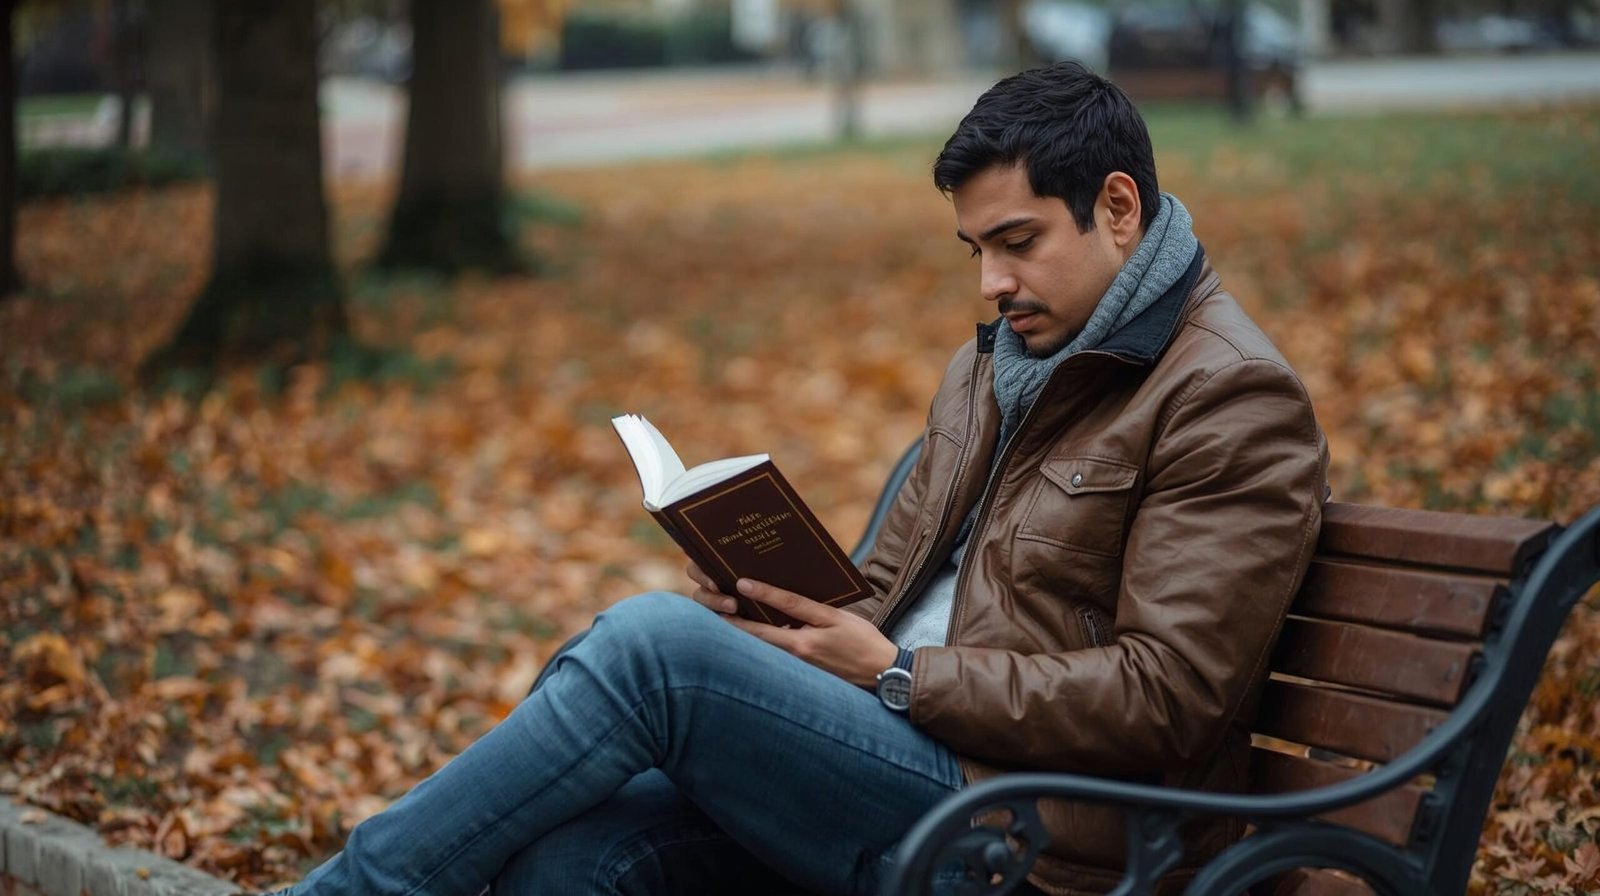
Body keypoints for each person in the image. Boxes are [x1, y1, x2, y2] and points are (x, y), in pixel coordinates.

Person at [268, 62, 1328, 896]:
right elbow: (889, 593)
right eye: (972, 249)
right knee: (577, 860)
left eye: (1016, 242)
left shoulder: (1226, 396)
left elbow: (1167, 695)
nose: (991, 282)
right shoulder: (996, 362)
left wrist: (900, 678)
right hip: (908, 754)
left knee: (651, 651)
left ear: (1118, 206)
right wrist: (773, 607)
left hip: (1035, 831)